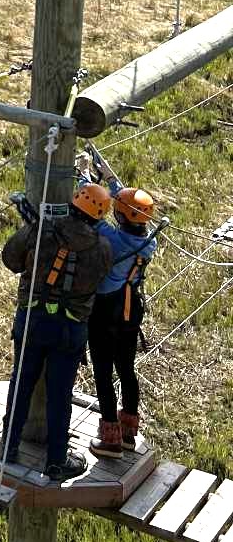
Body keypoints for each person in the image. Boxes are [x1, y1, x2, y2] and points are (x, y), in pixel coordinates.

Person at [0, 177, 111, 481]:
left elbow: (10, 258)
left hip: (32, 321)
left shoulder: (43, 229)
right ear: (99, 216)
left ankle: (8, 447)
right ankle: (56, 460)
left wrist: (35, 233)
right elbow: (100, 279)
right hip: (70, 330)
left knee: (21, 383)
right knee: (60, 395)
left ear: (74, 202)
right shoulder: (101, 247)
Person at [85, 146, 158, 456]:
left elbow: (94, 213)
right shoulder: (148, 239)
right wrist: (113, 182)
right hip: (131, 307)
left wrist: (84, 180)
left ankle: (110, 436)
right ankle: (128, 431)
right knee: (126, 369)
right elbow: (124, 207)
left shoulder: (113, 240)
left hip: (105, 309)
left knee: (103, 370)